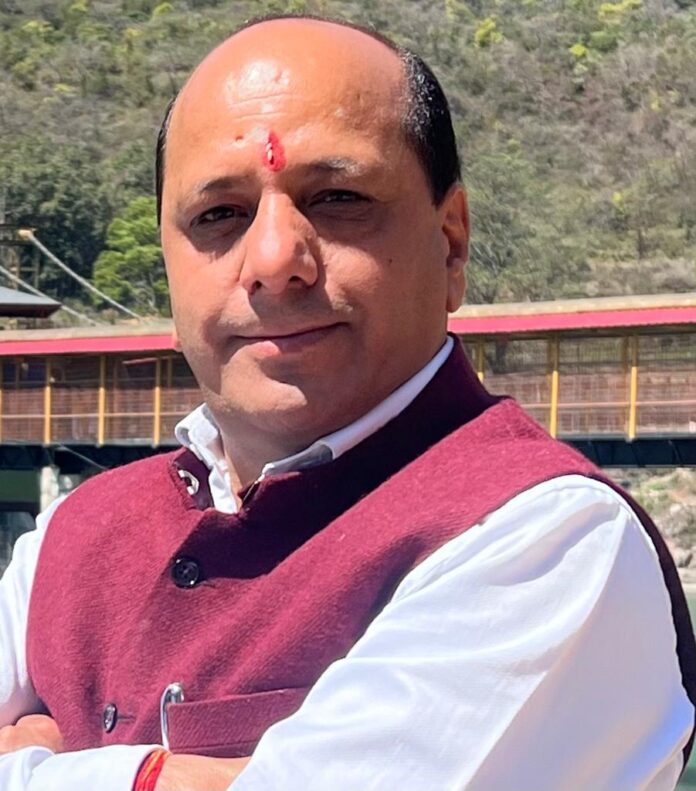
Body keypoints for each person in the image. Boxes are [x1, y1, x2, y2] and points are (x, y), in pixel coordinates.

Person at [0, 14, 694, 791]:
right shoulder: (72, 537)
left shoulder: (549, 541)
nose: (274, 260)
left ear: (451, 242)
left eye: (336, 198)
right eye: (218, 215)